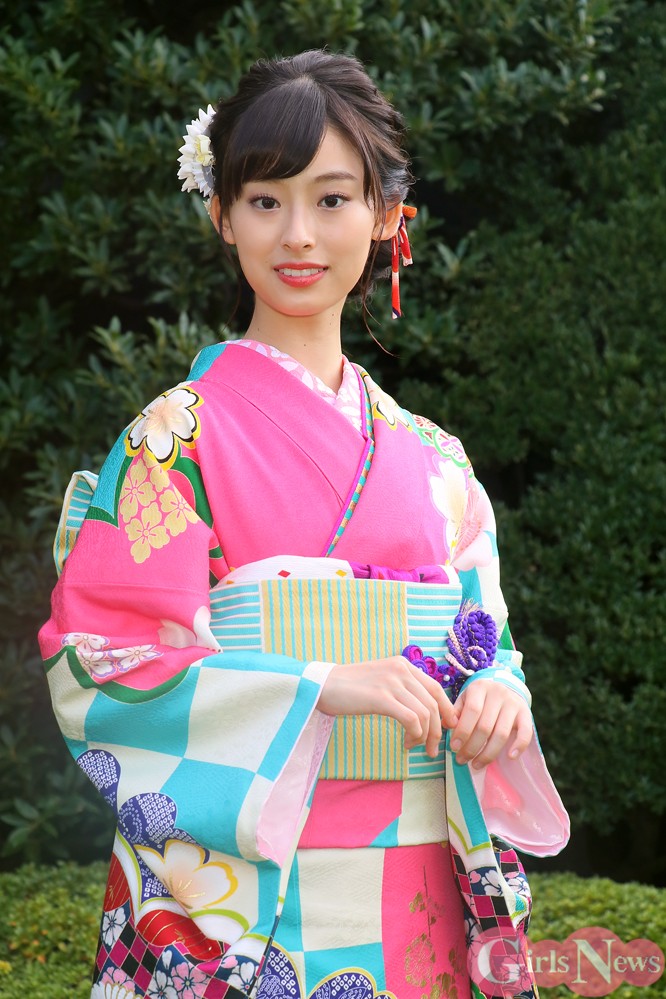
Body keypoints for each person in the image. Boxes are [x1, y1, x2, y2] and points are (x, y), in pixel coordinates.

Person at [39, 49, 569, 999]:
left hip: (418, 874)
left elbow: (486, 638)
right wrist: (317, 688)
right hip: (240, 889)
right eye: (265, 200)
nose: (298, 235)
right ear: (221, 213)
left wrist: (499, 690)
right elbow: (104, 660)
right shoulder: (172, 440)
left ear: (387, 214)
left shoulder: (437, 457)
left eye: (332, 199)